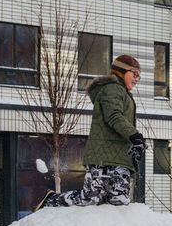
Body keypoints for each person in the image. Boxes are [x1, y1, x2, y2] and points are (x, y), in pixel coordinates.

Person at [41, 55, 145, 208]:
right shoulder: (112, 89)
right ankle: (53, 199)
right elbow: (113, 116)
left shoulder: (122, 92)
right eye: (134, 73)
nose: (137, 79)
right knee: (90, 198)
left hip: (120, 158)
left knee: (118, 201)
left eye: (139, 76)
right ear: (121, 72)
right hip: (103, 157)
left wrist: (134, 142)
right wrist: (134, 136)